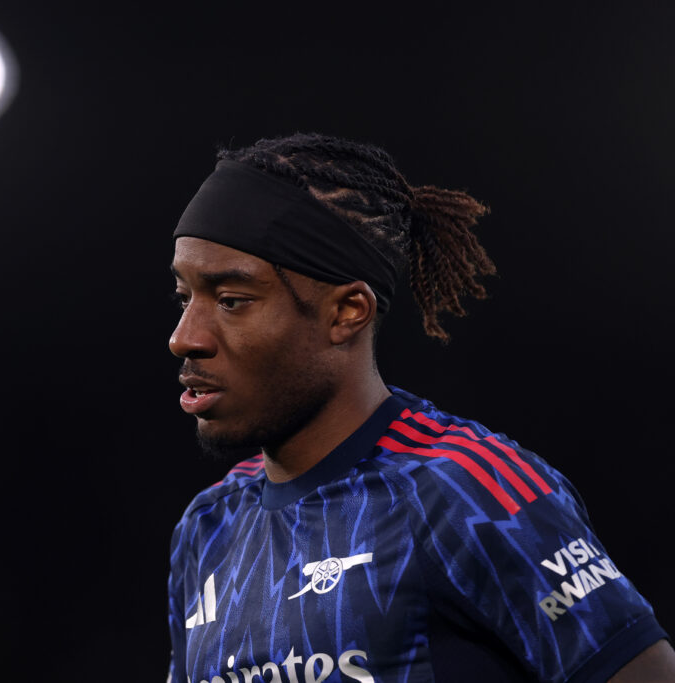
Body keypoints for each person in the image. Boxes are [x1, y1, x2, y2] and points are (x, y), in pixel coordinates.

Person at [165, 133, 674, 682]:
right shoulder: (208, 526)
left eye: (232, 301)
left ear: (347, 313)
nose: (184, 337)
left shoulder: (466, 489)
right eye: (183, 298)